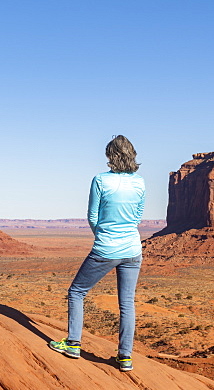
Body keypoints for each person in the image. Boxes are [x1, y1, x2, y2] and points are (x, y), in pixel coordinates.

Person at [48, 135, 145, 371]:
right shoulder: (139, 182)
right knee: (127, 303)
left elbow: (92, 215)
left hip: (106, 247)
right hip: (133, 249)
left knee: (76, 292)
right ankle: (125, 357)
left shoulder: (101, 180)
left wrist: (102, 236)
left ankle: (73, 344)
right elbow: (138, 217)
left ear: (110, 156)